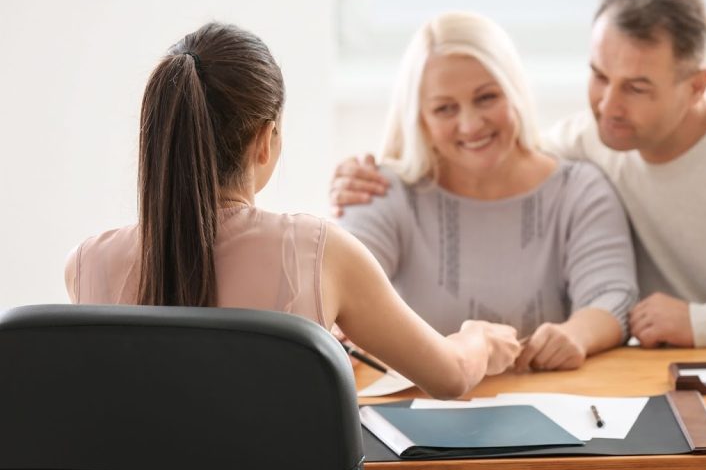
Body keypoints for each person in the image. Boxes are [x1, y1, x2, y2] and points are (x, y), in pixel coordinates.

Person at [331, 0, 706, 348]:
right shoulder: (587, 142)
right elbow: (494, 155)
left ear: (697, 85)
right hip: (656, 371)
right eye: (598, 76)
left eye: (636, 87)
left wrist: (701, 323)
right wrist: (363, 177)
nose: (608, 106)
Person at [65, 22, 520, 399]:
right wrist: (478, 338)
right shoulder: (319, 253)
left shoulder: (85, 265)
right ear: (266, 139)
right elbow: (450, 377)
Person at [333, 11, 638, 371]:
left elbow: (612, 296)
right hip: (415, 408)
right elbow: (339, 290)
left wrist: (576, 335)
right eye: (445, 108)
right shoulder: (383, 190)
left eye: (486, 98)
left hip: (547, 401)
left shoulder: (579, 189)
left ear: (515, 93)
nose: (470, 124)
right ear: (422, 120)